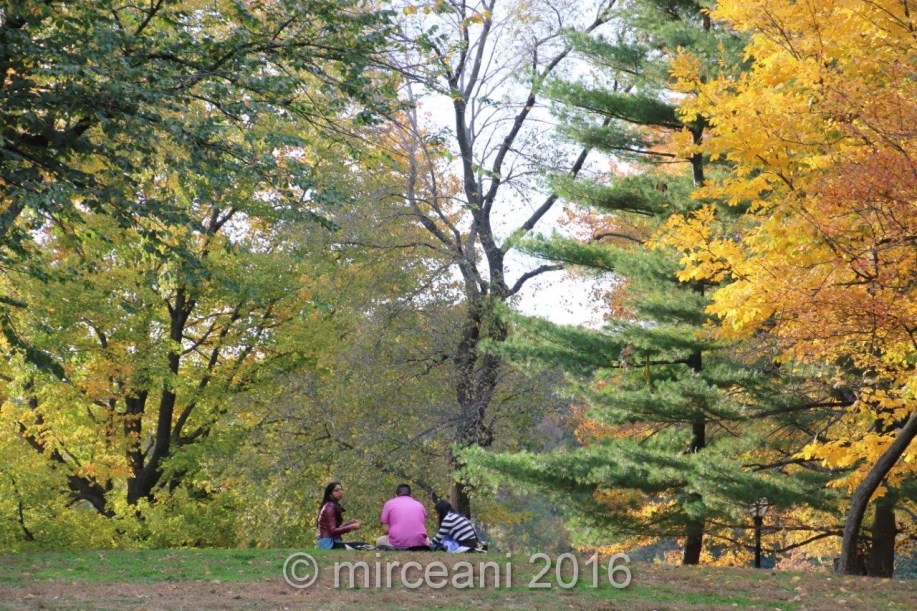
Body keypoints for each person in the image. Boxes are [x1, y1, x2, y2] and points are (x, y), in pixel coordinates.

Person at [376, 484, 430, 550]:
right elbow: (422, 526)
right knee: (427, 539)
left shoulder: (389, 504)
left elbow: (385, 528)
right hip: (419, 543)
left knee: (379, 540)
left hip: (396, 543)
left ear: (396, 495)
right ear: (410, 495)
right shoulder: (420, 505)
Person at [317, 482, 362, 550]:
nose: (340, 492)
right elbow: (333, 531)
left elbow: (334, 529)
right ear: (330, 494)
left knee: (364, 546)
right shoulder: (330, 507)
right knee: (364, 546)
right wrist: (351, 527)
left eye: (341, 489)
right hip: (329, 544)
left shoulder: (330, 505)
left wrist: (350, 523)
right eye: (336, 490)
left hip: (330, 542)